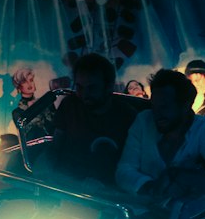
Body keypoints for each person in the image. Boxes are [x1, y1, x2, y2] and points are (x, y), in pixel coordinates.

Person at [116, 68, 205, 200]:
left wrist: (183, 177)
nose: (157, 114)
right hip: (143, 213)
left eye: (164, 107)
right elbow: (124, 171)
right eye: (154, 106)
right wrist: (152, 187)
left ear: (185, 105)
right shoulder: (143, 121)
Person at [42, 52, 138, 189]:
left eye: (92, 88)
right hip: (65, 184)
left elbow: (131, 166)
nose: (84, 94)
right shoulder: (70, 105)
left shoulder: (128, 116)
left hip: (107, 193)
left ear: (109, 87)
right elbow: (55, 146)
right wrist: (44, 173)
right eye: (79, 87)